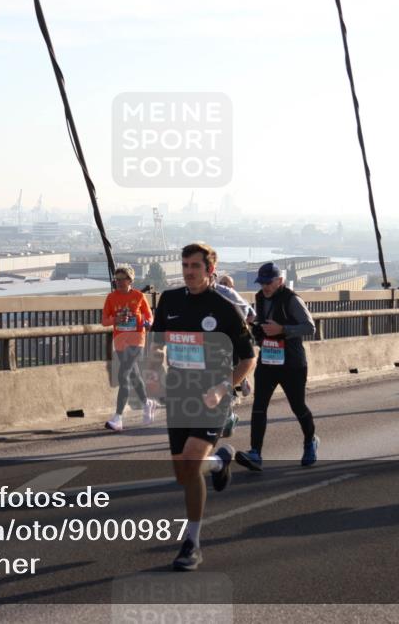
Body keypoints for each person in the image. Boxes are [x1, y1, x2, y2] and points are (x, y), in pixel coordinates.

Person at [146, 243, 256, 571]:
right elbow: (156, 344)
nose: (189, 271)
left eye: (195, 266)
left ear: (210, 270)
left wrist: (225, 388)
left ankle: (191, 542)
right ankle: (221, 461)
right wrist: (153, 371)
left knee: (192, 463)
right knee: (184, 473)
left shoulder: (224, 306)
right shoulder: (170, 300)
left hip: (212, 396)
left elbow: (250, 357)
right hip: (179, 395)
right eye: (185, 265)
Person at [234, 262, 318, 471]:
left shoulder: (292, 300)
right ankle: (255, 452)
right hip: (268, 360)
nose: (265, 287)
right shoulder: (260, 298)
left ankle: (310, 442)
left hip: (292, 363)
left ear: (280, 280)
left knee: (298, 406)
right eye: (261, 282)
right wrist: (258, 331)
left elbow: (310, 327)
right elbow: (264, 326)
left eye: (268, 282)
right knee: (259, 406)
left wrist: (283, 329)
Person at [101, 265, 156, 432]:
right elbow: (104, 321)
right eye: (116, 279)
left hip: (137, 339)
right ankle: (147, 403)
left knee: (122, 375)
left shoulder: (138, 296)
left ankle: (118, 418)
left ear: (130, 280)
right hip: (120, 340)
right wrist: (116, 319)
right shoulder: (111, 298)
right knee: (134, 375)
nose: (117, 282)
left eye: (121, 279)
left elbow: (149, 317)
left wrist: (146, 322)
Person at [212, 273, 256, 437]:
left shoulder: (228, 293)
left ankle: (227, 413)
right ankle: (228, 415)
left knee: (223, 379)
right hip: (207, 347)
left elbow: (250, 313)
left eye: (226, 283)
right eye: (222, 282)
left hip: (229, 345)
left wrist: (236, 324)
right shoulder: (193, 294)